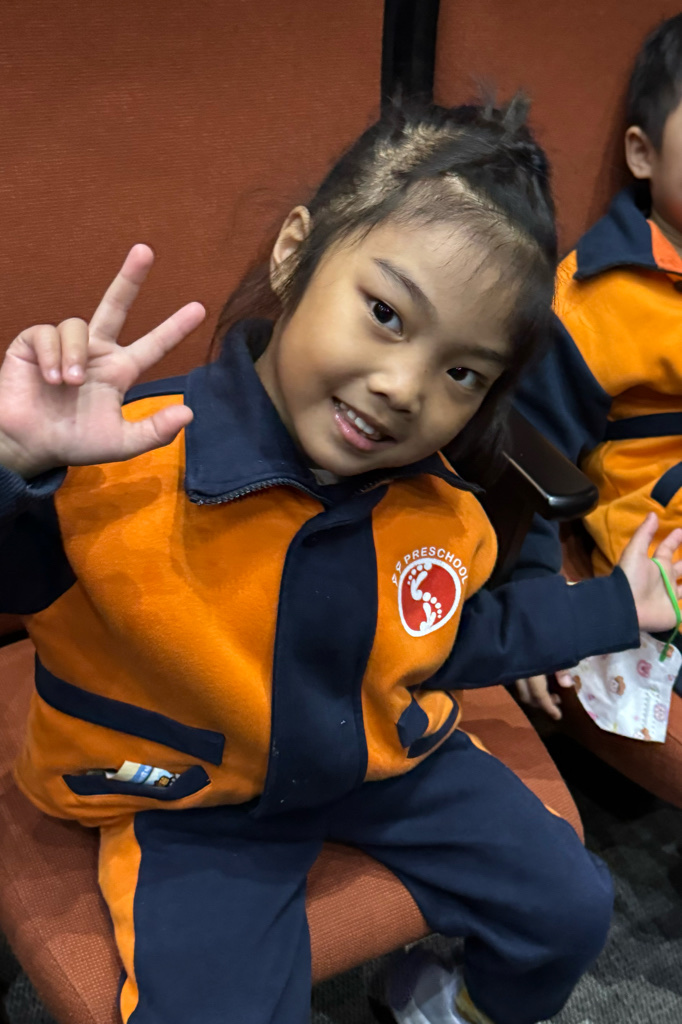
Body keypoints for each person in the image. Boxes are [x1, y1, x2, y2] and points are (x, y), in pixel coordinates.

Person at [1, 97, 680, 1024]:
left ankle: (441, 1005)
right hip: (200, 799)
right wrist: (17, 465)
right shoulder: (125, 463)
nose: (403, 388)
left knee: (570, 905)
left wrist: (613, 608)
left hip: (382, 759)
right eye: (385, 314)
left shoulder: (438, 508)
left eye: (462, 373)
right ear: (294, 253)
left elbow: (457, 636)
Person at [513, 12, 682, 723]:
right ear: (643, 154)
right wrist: (534, 600)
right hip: (666, 564)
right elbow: (525, 456)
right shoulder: (593, 300)